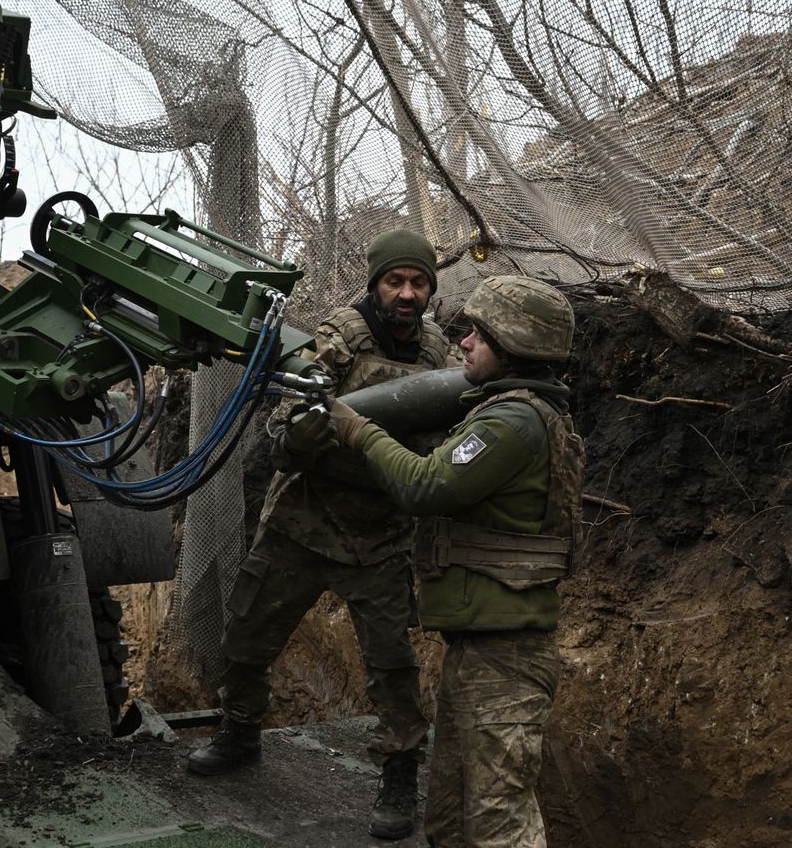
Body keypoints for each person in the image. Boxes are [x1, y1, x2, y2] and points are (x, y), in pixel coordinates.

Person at [186, 229, 460, 841]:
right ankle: (238, 732)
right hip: (303, 522)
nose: (407, 294)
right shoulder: (339, 339)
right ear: (376, 285)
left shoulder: (439, 351)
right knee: (248, 635)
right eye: (396, 281)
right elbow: (283, 434)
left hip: (381, 532)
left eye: (418, 283)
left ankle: (398, 773)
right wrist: (312, 429)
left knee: (391, 664)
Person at [323, 275, 585, 847]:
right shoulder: (505, 412)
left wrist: (358, 431)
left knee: (499, 825)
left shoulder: (512, 422)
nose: (462, 342)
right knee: (450, 820)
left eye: (478, 334)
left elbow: (427, 487)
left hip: (507, 660)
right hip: (480, 650)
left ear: (514, 345)